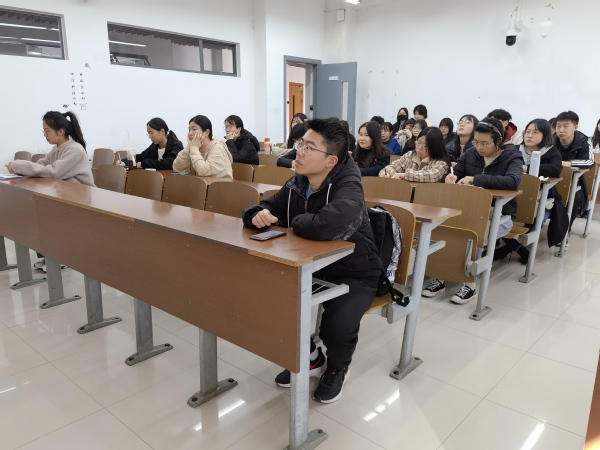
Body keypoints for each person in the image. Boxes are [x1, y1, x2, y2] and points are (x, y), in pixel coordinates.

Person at [242, 118, 382, 403]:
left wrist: (293, 221)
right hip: (311, 265)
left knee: (336, 326)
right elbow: (269, 205)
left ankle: (338, 367)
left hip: (354, 270)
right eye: (300, 144)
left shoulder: (349, 187)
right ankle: (312, 358)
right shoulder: (298, 182)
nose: (299, 152)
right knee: (267, 301)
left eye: (308, 147)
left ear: (331, 160)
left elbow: (327, 225)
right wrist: (256, 214)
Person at [423, 118, 523, 304]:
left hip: (499, 215)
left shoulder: (512, 157)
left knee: (471, 234)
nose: (479, 147)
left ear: (499, 141)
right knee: (445, 229)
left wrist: (476, 179)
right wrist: (449, 178)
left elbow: (513, 181)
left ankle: (469, 283)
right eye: (476, 142)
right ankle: (440, 276)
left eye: (485, 143)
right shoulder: (470, 153)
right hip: (466, 210)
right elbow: (456, 173)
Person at [6, 110, 94, 272]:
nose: (45, 135)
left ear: (60, 131)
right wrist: (21, 167)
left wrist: (18, 165)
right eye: (44, 131)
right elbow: (42, 164)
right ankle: (49, 256)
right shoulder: (57, 149)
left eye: (47, 131)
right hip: (66, 195)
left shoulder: (74, 149)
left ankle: (59, 256)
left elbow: (53, 172)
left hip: (81, 198)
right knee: (37, 213)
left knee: (46, 215)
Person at [494, 118, 563, 263]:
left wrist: (527, 168)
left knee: (535, 216)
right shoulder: (513, 149)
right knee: (497, 213)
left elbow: (556, 169)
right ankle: (519, 249)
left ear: (545, 135)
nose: (529, 135)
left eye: (535, 132)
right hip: (512, 194)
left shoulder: (552, 151)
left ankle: (509, 249)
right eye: (528, 132)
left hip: (542, 196)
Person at [554, 110, 594, 228]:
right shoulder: (551, 140)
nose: (561, 130)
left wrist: (569, 163)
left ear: (575, 127)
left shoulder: (584, 142)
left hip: (574, 183)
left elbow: (590, 162)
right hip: (551, 179)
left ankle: (566, 229)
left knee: (575, 197)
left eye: (566, 126)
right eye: (558, 126)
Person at [379, 127, 451, 182]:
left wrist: (405, 175)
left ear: (435, 147)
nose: (419, 148)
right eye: (419, 142)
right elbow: (390, 167)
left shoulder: (441, 162)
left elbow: (432, 175)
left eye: (426, 145)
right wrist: (388, 174)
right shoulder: (410, 155)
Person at [118, 118, 183, 170]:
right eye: (148, 134)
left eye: (151, 133)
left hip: (170, 179)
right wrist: (124, 162)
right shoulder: (154, 146)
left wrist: (144, 163)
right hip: (156, 178)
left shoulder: (177, 146)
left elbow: (169, 163)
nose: (150, 137)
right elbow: (141, 157)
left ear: (162, 131)